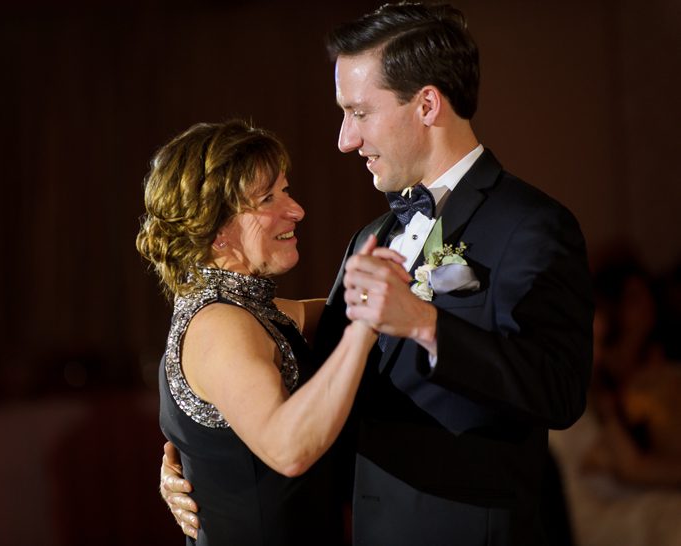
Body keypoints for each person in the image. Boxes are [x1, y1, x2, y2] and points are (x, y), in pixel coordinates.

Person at [159, 3, 594, 545]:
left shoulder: (531, 225)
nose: (345, 139)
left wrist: (429, 325)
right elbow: (294, 352)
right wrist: (202, 459)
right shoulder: (374, 235)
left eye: (359, 113)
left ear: (427, 105)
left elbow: (560, 392)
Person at [138, 119, 406, 545]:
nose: (295, 209)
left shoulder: (249, 311)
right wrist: (365, 326)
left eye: (285, 190)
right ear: (217, 231)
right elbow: (289, 451)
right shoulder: (221, 328)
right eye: (268, 198)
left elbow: (329, 315)